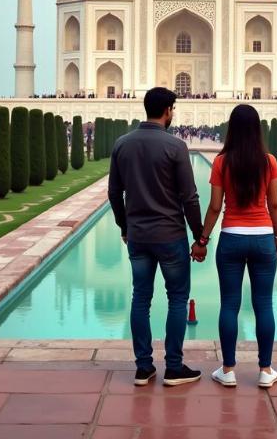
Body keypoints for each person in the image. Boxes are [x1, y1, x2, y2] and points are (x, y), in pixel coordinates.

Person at [108, 87, 204, 388]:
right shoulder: (175, 147)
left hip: (138, 236)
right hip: (170, 236)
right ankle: (173, 367)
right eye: (172, 109)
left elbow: (114, 193)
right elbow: (189, 197)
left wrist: (124, 226)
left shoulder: (122, 144)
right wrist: (199, 236)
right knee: (177, 299)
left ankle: (143, 367)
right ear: (168, 110)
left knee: (141, 298)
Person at [201, 104, 277, 389]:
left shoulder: (222, 162)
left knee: (230, 304)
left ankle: (228, 370)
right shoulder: (268, 161)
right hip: (262, 237)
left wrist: (202, 240)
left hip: (232, 236)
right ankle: (265, 370)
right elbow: (273, 204)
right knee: (263, 305)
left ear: (231, 129)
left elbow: (214, 206)